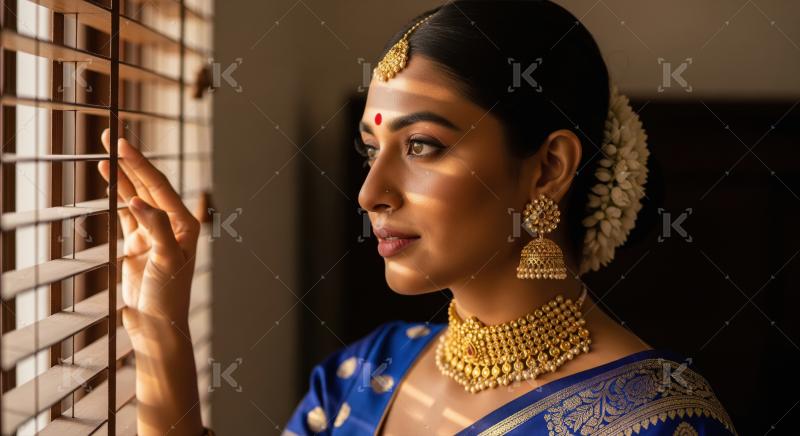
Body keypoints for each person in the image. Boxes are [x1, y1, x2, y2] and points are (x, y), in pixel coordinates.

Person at [97, 1, 737, 435]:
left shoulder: (657, 420)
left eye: (423, 146)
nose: (370, 193)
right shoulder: (365, 374)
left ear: (547, 168)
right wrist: (161, 331)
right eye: (370, 151)